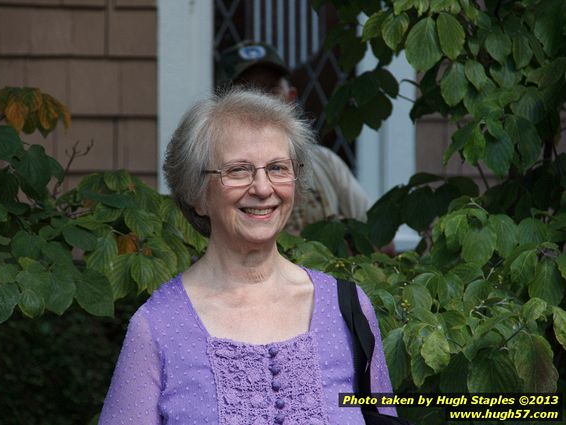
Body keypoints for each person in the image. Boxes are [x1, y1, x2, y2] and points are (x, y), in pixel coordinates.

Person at [98, 89, 397, 424]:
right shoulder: (157, 327)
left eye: (277, 168)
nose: (263, 188)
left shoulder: (348, 308)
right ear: (197, 195)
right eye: (238, 170)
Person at [218, 41, 370, 234]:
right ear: (222, 103)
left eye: (271, 90)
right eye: (247, 91)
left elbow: (378, 240)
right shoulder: (209, 169)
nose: (260, 101)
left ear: (290, 98)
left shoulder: (326, 162)